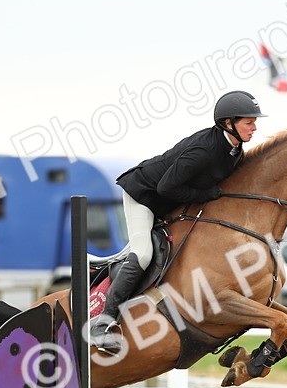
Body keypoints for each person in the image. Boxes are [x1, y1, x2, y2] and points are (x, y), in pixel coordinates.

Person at [87, 90, 267, 353]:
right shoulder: (204, 150)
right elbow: (166, 187)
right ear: (229, 123)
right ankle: (102, 323)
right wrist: (206, 195)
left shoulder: (234, 149)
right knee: (144, 253)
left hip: (171, 200)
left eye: (254, 121)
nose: (254, 126)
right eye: (248, 121)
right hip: (145, 195)